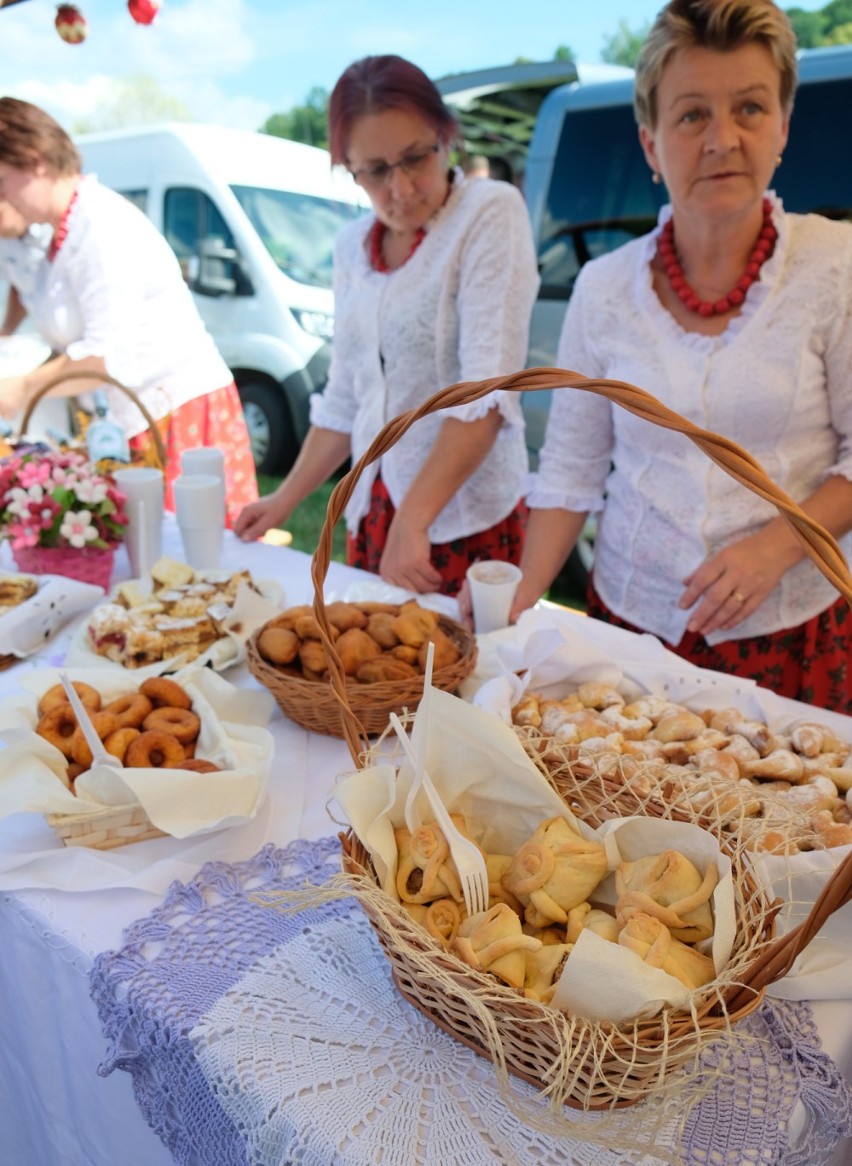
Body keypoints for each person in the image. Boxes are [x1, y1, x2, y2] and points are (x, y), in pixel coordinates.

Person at [513, 0, 852, 713]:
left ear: (784, 127)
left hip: (792, 634)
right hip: (633, 633)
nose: (722, 139)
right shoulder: (603, 289)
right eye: (692, 114)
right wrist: (514, 606)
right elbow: (571, 472)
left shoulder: (836, 267)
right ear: (650, 144)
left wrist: (776, 546)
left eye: (750, 109)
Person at [235, 55, 539, 597]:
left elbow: (485, 394)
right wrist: (284, 500)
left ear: (447, 138)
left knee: (459, 674)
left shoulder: (488, 213)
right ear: (348, 167)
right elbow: (348, 397)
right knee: (372, 671)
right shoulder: (352, 246)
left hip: (459, 515)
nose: (400, 189)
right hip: (377, 508)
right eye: (374, 170)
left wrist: (415, 520)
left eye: (416, 158)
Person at [0, 98, 259, 524]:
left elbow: (106, 358)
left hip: (175, 419)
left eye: (1, 181)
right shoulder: (63, 235)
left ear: (35, 162)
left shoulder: (100, 225)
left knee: (196, 566)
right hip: (133, 422)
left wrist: (23, 388)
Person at [0, 199, 51, 337]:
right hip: (51, 339)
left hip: (84, 339)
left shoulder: (50, 230)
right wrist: (6, 333)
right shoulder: (5, 242)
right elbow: (19, 286)